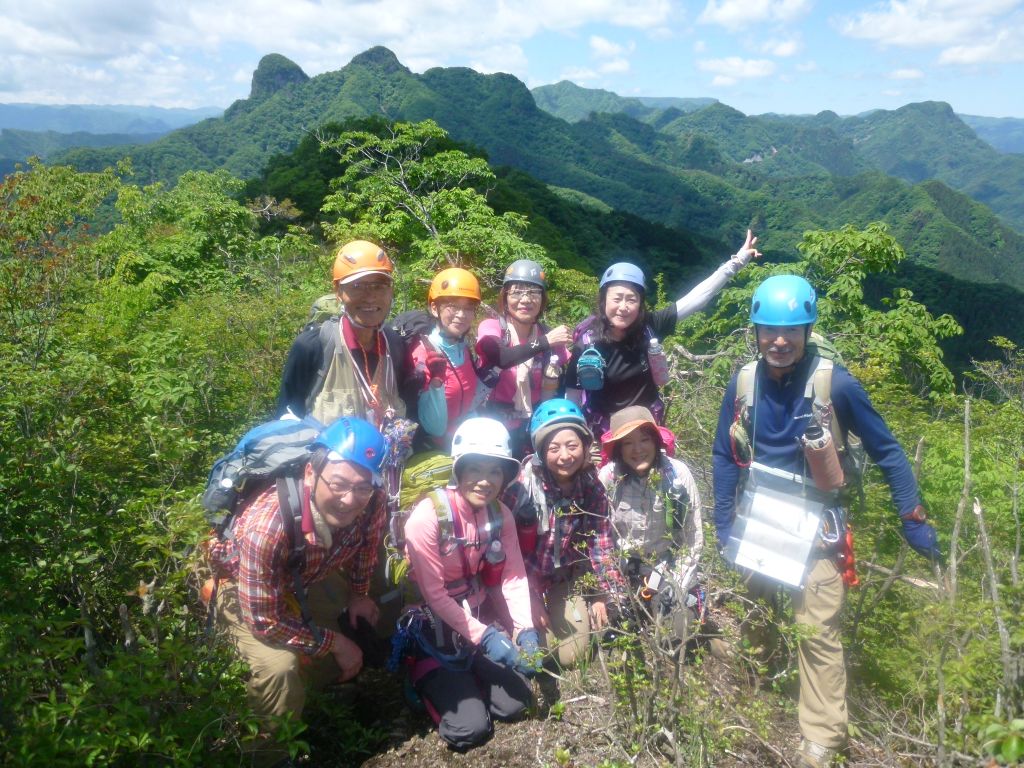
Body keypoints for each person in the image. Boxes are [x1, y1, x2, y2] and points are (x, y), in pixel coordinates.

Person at [711, 274, 942, 768]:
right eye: (769, 330)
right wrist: (723, 525)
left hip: (818, 524)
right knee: (755, 612)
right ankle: (755, 689)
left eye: (791, 331)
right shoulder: (744, 381)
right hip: (763, 518)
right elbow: (723, 455)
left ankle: (821, 735)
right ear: (755, 331)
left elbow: (887, 450)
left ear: (808, 330)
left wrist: (911, 512)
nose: (779, 340)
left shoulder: (835, 383)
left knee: (816, 629)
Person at [207, 417, 389, 765]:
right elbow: (265, 621)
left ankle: (325, 694)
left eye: (361, 488)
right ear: (310, 473)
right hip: (239, 581)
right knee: (279, 667)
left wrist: (359, 593)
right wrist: (335, 643)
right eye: (337, 484)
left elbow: (368, 545)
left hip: (302, 573)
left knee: (374, 610)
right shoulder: (269, 525)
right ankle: (271, 755)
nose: (349, 500)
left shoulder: (372, 498)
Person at [402, 417, 537, 751]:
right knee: (470, 730)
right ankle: (419, 673)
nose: (485, 481)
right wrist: (487, 636)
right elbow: (434, 595)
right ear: (458, 471)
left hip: (475, 620)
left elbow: (514, 576)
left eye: (495, 472)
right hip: (436, 629)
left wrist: (525, 630)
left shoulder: (500, 514)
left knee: (517, 705)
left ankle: (471, 676)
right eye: (475, 469)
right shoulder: (427, 517)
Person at [564, 230, 761, 436]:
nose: (623, 307)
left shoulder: (649, 325)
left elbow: (697, 299)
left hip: (645, 432)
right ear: (603, 301)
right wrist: (576, 437)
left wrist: (737, 262)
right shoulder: (588, 343)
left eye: (631, 299)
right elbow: (573, 397)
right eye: (617, 298)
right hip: (603, 433)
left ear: (640, 304)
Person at [502, 399, 624, 668]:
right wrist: (527, 597)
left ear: (584, 446)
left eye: (572, 446)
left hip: (562, 578)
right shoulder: (522, 489)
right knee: (540, 653)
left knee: (571, 657)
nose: (565, 456)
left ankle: (572, 607)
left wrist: (603, 594)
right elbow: (502, 554)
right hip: (523, 582)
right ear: (541, 451)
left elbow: (600, 543)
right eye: (554, 448)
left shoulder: (591, 487)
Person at [276, 239, 411, 428]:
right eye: (357, 286)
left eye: (379, 286)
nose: (370, 297)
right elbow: (286, 424)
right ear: (338, 291)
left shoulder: (394, 345)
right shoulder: (313, 347)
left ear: (391, 291)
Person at [597, 405, 703, 641]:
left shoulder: (678, 475)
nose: (637, 450)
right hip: (622, 573)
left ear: (656, 441)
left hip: (666, 568)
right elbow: (600, 540)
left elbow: (692, 539)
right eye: (627, 443)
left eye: (644, 440)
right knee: (613, 633)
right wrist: (612, 591)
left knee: (674, 634)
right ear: (618, 449)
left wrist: (677, 584)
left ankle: (679, 605)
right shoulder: (608, 478)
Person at [475, 259, 572, 457]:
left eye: (534, 292)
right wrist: (545, 342)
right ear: (505, 297)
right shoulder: (493, 328)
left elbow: (569, 378)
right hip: (495, 427)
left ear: (542, 299)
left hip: (536, 426)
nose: (525, 300)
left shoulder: (548, 336)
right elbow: (501, 357)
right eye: (517, 292)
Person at [410, 267, 490, 450]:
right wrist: (436, 384)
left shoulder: (462, 347)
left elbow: (467, 403)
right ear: (434, 308)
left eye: (468, 308)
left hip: (465, 442)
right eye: (453, 306)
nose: (462, 315)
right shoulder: (424, 353)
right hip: (435, 451)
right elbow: (436, 428)